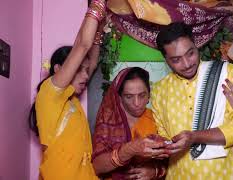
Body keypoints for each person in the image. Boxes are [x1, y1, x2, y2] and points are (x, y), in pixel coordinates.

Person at [151, 22, 233, 179]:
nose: (186, 64)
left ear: (196, 45)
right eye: (176, 60)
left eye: (190, 53)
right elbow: (165, 139)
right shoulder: (160, 90)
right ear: (166, 60)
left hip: (228, 174)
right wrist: (159, 146)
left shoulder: (226, 74)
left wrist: (195, 136)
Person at [31, 0, 108, 179]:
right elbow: (82, 45)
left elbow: (92, 59)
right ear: (58, 70)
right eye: (78, 70)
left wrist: (100, 27)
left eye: (86, 71)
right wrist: (98, 4)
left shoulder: (71, 99)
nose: (86, 76)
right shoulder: (49, 95)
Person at [92, 67, 168, 180]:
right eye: (129, 96)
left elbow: (172, 160)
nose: (136, 103)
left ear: (149, 95)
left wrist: (155, 171)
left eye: (142, 95)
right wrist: (128, 150)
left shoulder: (158, 119)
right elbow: (97, 167)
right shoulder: (107, 123)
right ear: (119, 97)